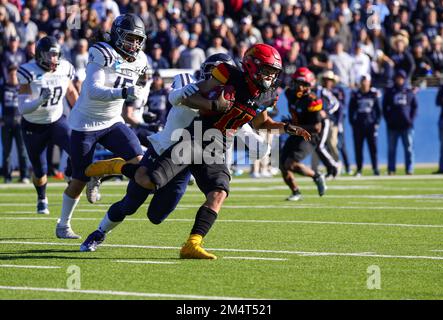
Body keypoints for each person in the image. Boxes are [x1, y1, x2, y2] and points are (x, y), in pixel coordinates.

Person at [81, 44, 311, 259]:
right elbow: (188, 97)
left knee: (216, 193)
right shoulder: (225, 76)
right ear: (251, 65)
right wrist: (212, 105)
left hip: (217, 145)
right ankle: (108, 197)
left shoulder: (268, 94)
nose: (270, 76)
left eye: (273, 72)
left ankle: (192, 243)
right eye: (267, 70)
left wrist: (286, 127)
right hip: (195, 137)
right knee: (144, 186)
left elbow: (261, 122)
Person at [56, 14, 148, 239]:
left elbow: (143, 82)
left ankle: (101, 172)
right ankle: (63, 225)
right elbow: (93, 90)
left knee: (139, 163)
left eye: (138, 39)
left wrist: (138, 97)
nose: (134, 44)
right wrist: (124, 93)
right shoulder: (101, 52)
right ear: (117, 35)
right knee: (79, 178)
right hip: (85, 122)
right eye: (130, 38)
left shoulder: (141, 59)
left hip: (113, 121)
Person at [17, 36, 78, 214]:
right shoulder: (27, 71)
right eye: (50, 55)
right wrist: (40, 100)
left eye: (56, 54)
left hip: (57, 119)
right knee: (40, 170)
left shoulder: (65, 68)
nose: (54, 59)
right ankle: (42, 197)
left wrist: (82, 112)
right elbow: (23, 108)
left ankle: (68, 172)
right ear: (40, 54)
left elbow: (71, 92)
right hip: (33, 125)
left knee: (76, 148)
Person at [280, 67, 330, 201]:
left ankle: (317, 176)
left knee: (291, 164)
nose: (300, 87)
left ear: (309, 85)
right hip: (296, 131)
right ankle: (296, 192)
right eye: (298, 83)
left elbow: (317, 127)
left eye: (303, 84)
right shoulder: (290, 93)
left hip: (309, 135)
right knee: (282, 163)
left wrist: (295, 126)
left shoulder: (313, 100)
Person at [383, 70, 418, 175]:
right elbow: (385, 108)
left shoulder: (409, 91)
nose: (399, 80)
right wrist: (389, 120)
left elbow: (415, 107)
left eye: (401, 78)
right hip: (393, 125)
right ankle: (391, 169)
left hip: (406, 125)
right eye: (398, 77)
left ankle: (409, 169)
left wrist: (411, 120)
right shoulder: (390, 91)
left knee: (409, 148)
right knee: (391, 149)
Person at [1, 63, 30, 184]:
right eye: (11, 74)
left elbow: (29, 102)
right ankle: (7, 176)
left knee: (22, 150)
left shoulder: (22, 87)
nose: (13, 76)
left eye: (14, 74)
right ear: (7, 74)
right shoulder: (2, 88)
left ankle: (24, 175)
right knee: (6, 151)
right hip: (6, 121)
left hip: (20, 121)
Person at [348, 74, 382, 176]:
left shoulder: (374, 93)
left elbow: (379, 110)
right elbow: (351, 111)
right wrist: (353, 123)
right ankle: (359, 169)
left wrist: (377, 123)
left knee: (373, 148)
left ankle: (375, 168)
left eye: (366, 81)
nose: (364, 83)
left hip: (371, 125)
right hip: (358, 125)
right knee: (358, 148)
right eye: (362, 81)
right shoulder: (355, 94)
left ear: (369, 82)